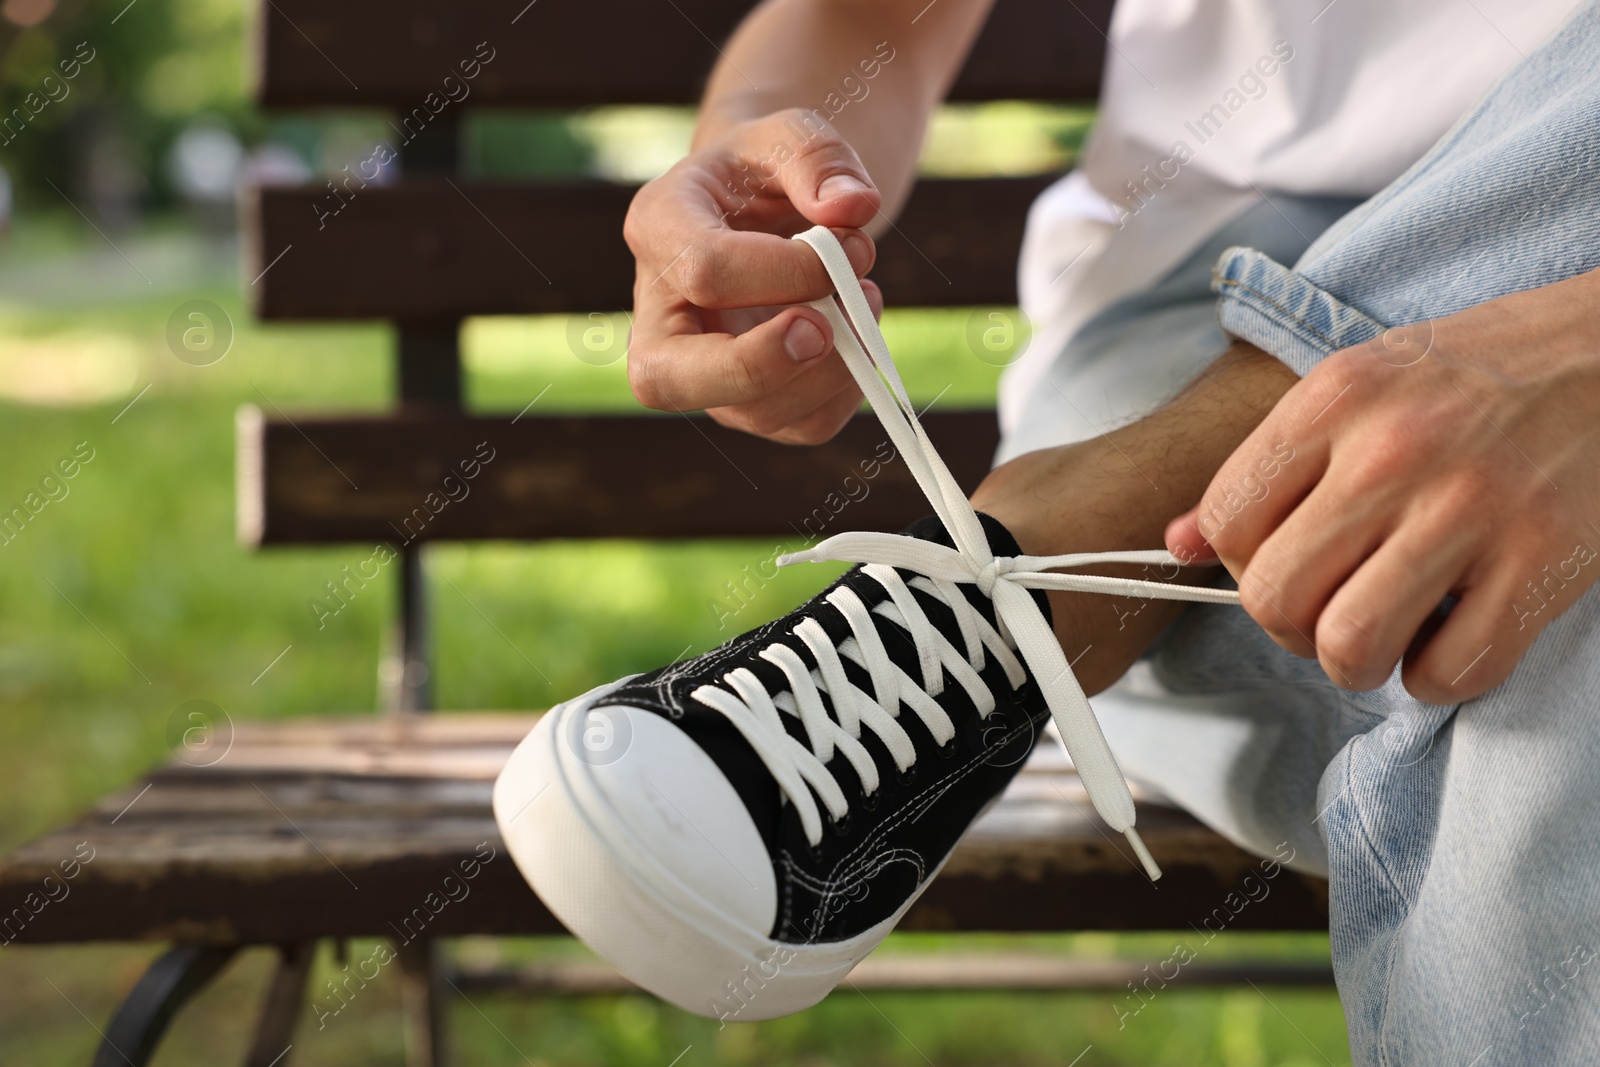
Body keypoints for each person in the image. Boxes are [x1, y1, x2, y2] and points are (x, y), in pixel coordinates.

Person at [494, 2, 1600, 1062]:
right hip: (1189, 323)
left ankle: (1040, 566)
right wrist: (758, 164)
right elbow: (867, 13)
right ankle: (1054, 559)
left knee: (1560, 671)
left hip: (1152, 536)